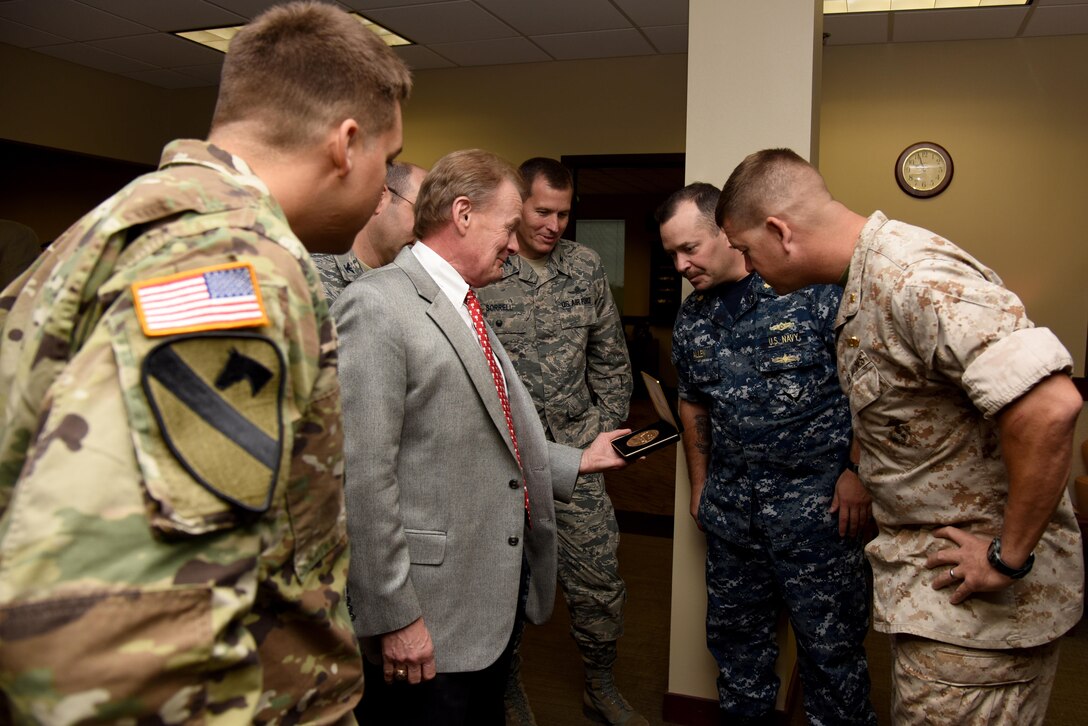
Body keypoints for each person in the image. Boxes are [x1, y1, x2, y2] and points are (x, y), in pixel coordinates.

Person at [0, 2, 410, 722]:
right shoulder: (233, 268)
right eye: (390, 158)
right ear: (347, 144)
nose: (386, 185)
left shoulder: (121, 226)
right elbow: (104, 646)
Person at [718, 148, 1084, 725]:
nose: (746, 264)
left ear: (779, 231)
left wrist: (1006, 558)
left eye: (744, 249)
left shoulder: (912, 277)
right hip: (938, 598)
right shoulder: (862, 284)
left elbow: (1050, 408)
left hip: (977, 613)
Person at [332, 148, 631, 726]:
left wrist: (577, 460)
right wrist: (394, 617)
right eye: (509, 227)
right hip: (426, 617)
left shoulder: (461, 301)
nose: (515, 245)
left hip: (477, 612)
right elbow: (362, 480)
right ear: (463, 214)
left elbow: (479, 435)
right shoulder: (378, 305)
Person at [658, 183, 877, 725]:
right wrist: (701, 484)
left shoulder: (812, 292)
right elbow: (693, 403)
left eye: (690, 248)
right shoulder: (693, 318)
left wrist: (857, 472)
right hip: (734, 519)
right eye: (672, 254)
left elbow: (869, 389)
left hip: (820, 516)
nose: (681, 265)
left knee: (832, 661)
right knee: (737, 656)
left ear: (725, 231)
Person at [475, 157, 640, 726]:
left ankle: (600, 685)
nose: (553, 225)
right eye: (542, 211)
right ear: (517, 204)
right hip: (506, 459)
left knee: (598, 583)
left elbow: (611, 359)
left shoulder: (585, 266)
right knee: (504, 583)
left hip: (578, 456)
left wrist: (602, 432)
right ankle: (507, 691)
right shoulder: (486, 263)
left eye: (563, 214)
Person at [313, 160, 428, 302]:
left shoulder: (408, 289)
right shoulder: (310, 273)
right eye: (419, 212)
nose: (426, 229)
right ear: (380, 198)